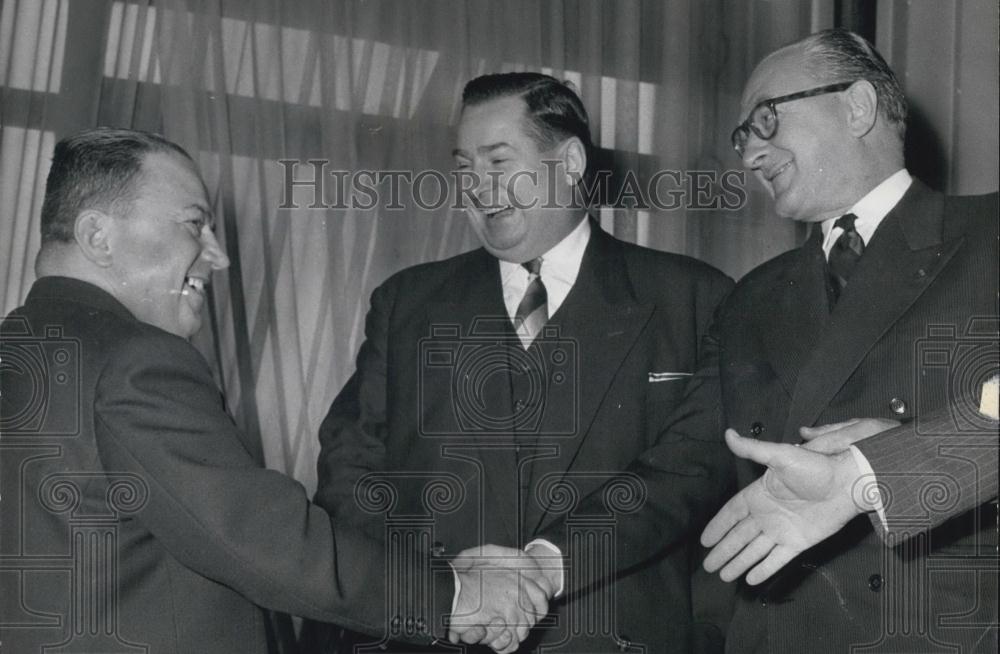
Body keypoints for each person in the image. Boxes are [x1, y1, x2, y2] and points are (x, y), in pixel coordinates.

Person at [0, 128, 550, 654]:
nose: (218, 255)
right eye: (195, 224)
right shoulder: (135, 361)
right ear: (98, 236)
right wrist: (455, 596)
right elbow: (266, 542)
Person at [308, 73, 735, 653]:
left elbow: (692, 469)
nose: (479, 188)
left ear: (570, 162)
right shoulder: (407, 303)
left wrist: (546, 564)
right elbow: (350, 473)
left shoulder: (693, 297)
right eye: (464, 168)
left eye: (498, 162)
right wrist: (439, 593)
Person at [698, 29, 999, 652]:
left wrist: (893, 463)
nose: (751, 155)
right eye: (742, 137)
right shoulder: (748, 298)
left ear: (858, 106)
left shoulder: (991, 234)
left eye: (766, 119)